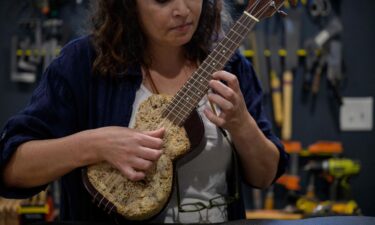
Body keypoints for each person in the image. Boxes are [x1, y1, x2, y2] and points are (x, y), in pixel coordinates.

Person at [0, 0, 288, 223]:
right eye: (162, 0)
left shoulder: (230, 65)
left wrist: (242, 124)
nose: (182, 10)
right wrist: (93, 145)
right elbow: (12, 169)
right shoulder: (84, 64)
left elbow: (264, 177)